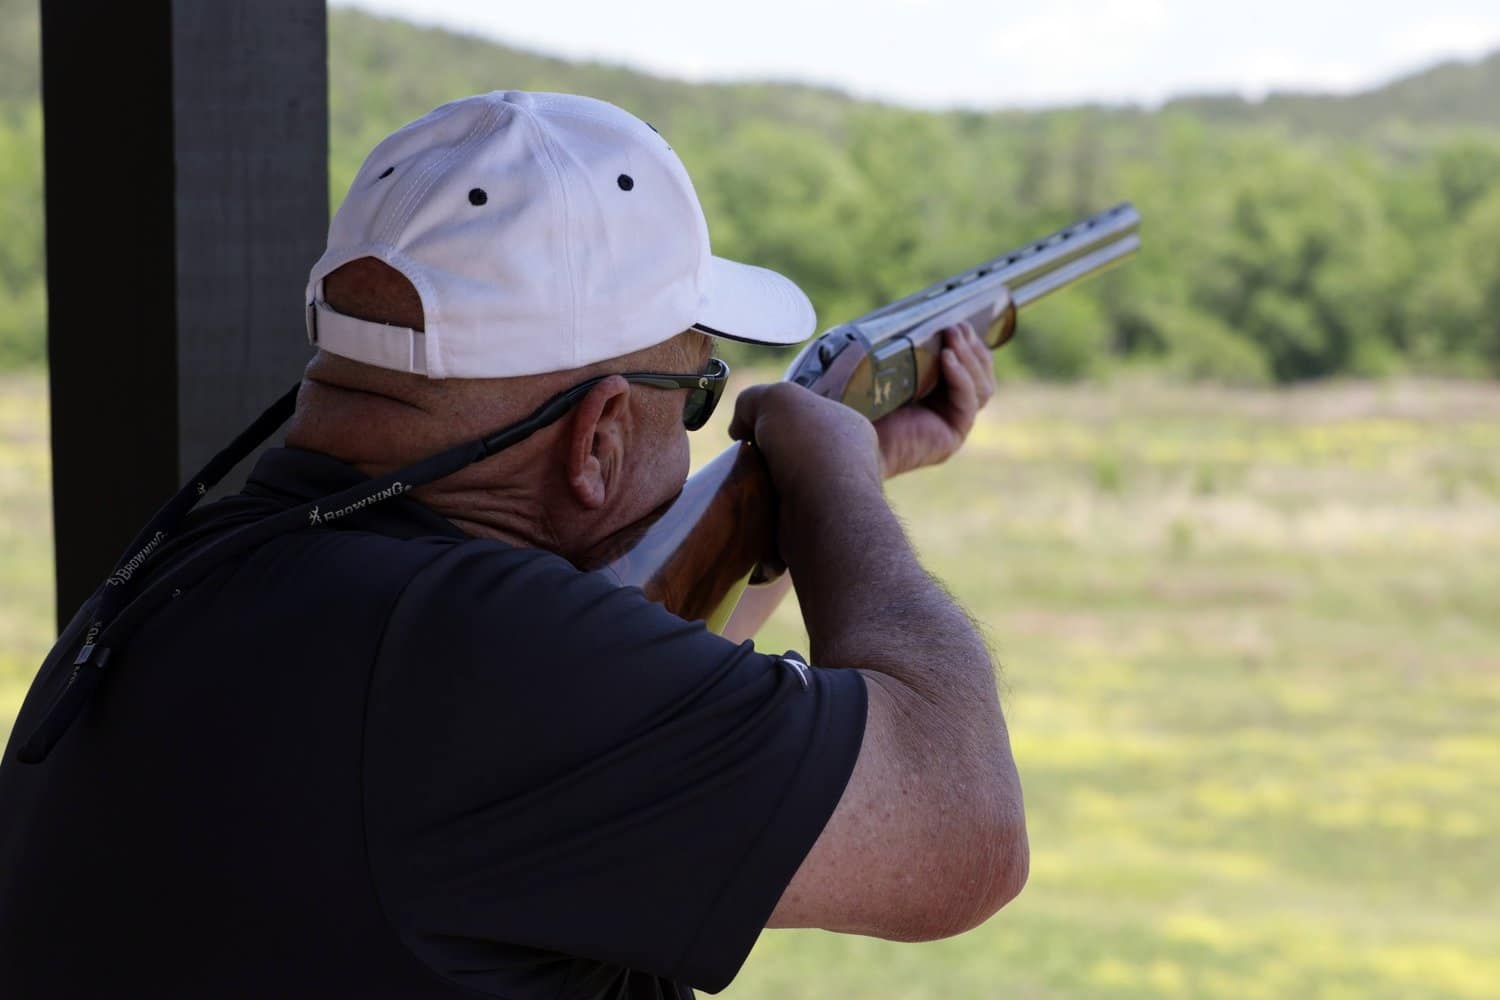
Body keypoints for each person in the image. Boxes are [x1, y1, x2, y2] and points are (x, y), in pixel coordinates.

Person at [0, 91, 1025, 998]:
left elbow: (641, 654)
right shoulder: (473, 656)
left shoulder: (211, 574)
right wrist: (836, 478)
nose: (707, 422)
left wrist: (807, 504)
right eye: (701, 394)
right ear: (600, 436)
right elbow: (962, 831)